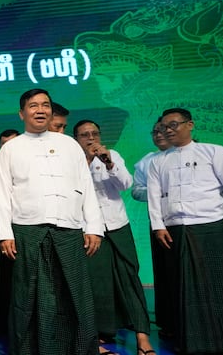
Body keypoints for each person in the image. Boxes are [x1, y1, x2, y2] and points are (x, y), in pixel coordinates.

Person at [0, 89, 103, 355]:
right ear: (22, 113)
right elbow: (3, 194)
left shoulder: (70, 146)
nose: (40, 110)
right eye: (33, 106)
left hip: (68, 229)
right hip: (27, 231)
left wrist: (93, 227)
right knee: (28, 297)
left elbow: (85, 186)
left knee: (73, 294)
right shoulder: (10, 148)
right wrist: (5, 234)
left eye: (45, 105)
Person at [147, 108, 223, 354]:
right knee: (184, 288)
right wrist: (158, 225)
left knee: (221, 285)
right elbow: (153, 197)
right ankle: (193, 343)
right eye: (164, 127)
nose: (168, 130)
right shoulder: (158, 161)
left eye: (174, 125)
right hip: (176, 231)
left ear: (190, 125)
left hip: (211, 227)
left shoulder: (215, 152)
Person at [73, 120, 154, 354]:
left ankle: (142, 336)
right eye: (84, 135)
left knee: (130, 277)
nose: (91, 138)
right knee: (97, 282)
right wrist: (87, 161)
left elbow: (125, 184)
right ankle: (102, 332)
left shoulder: (113, 155)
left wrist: (107, 162)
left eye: (94, 133)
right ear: (76, 138)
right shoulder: (73, 160)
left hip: (118, 224)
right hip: (89, 229)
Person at [131, 118, 173, 338]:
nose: (158, 135)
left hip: (191, 224)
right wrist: (157, 191)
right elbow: (136, 191)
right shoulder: (147, 161)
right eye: (154, 131)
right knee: (164, 273)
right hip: (159, 223)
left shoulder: (191, 154)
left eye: (162, 130)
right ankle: (168, 322)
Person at [0, 128, 19, 337]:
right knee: (6, 280)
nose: (8, 148)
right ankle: (4, 324)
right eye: (4, 144)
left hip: (27, 228)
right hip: (7, 232)